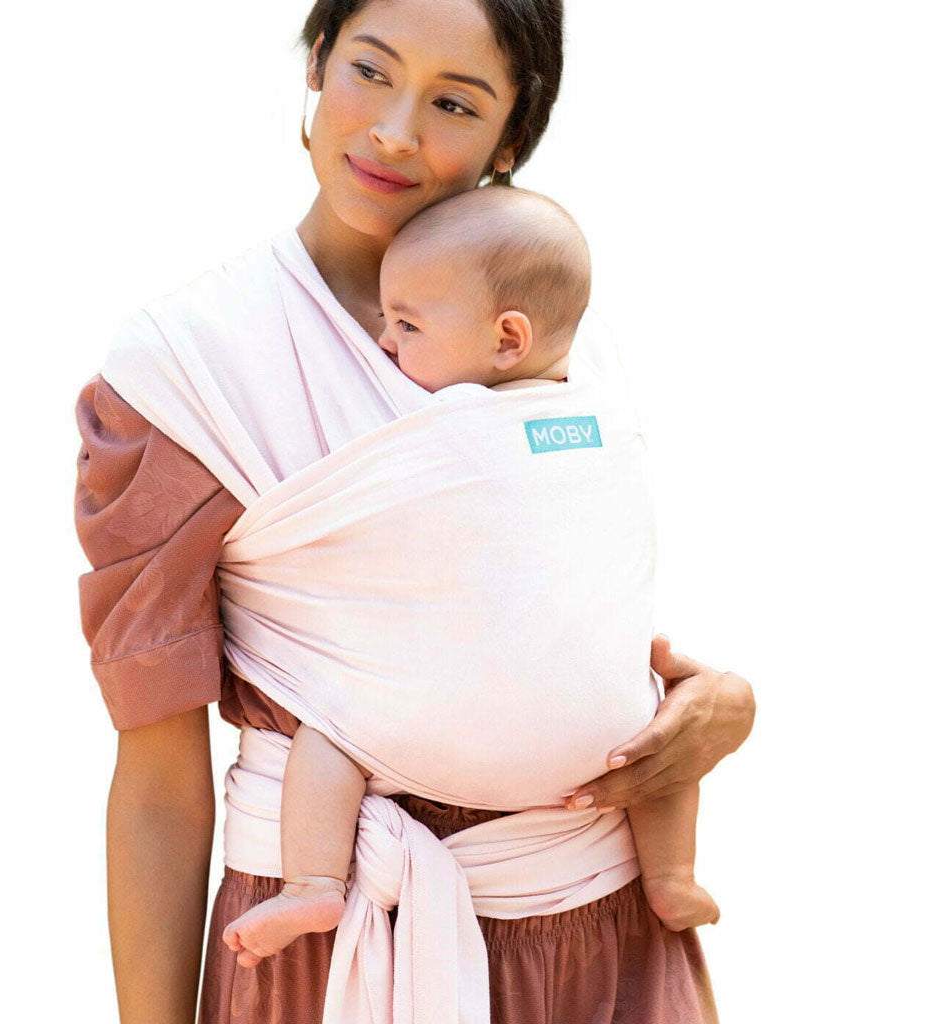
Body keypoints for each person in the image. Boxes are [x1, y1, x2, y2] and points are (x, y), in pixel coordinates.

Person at [73, 2, 755, 1021]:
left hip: (606, 932)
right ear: (317, 61)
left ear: (513, 136)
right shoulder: (189, 372)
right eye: (370, 70)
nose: (395, 131)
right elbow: (160, 780)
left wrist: (719, 705)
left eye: (454, 103)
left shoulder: (564, 340)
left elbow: (567, 614)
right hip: (331, 948)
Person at [219, 185, 718, 970]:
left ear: (507, 338)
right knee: (663, 731)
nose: (385, 343)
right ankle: (672, 874)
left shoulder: (440, 429)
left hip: (439, 734)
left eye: (407, 325)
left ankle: (311, 882)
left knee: (328, 728)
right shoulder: (611, 423)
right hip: (605, 743)